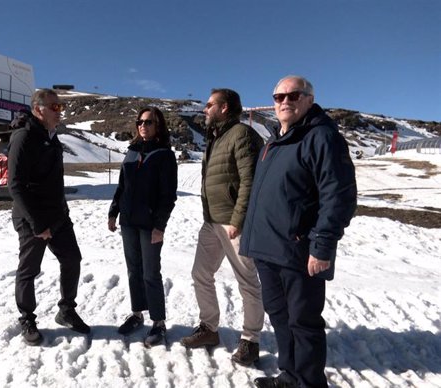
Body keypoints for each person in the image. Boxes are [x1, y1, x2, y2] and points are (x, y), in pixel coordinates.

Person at [239, 76, 357, 388]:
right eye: (279, 96)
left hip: (299, 251)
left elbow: (339, 196)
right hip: (267, 248)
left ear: (309, 99)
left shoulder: (321, 137)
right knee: (279, 317)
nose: (285, 102)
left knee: (304, 323)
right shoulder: (275, 141)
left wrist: (322, 246)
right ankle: (290, 376)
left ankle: (309, 382)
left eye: (293, 95)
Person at [180, 88, 265, 367]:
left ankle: (251, 340)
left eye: (209, 105)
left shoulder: (241, 134)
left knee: (247, 281)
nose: (205, 109)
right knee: (201, 273)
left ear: (224, 107)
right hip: (211, 221)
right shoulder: (215, 137)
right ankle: (209, 329)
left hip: (232, 223)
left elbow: (249, 180)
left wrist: (239, 220)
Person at [7, 88, 90, 346]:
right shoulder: (24, 137)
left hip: (58, 216)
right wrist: (38, 223)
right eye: (54, 107)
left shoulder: (50, 137)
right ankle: (27, 318)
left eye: (60, 107)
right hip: (33, 218)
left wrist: (61, 212)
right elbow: (16, 185)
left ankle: (66, 310)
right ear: (37, 109)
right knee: (29, 270)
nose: (59, 111)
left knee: (72, 259)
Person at [107, 106, 177, 347]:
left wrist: (160, 226)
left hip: (149, 225)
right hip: (128, 222)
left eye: (149, 122)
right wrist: (113, 212)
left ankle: (158, 322)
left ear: (158, 126)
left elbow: (168, 196)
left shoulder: (164, 155)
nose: (143, 126)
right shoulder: (131, 152)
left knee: (150, 273)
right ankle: (137, 314)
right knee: (133, 270)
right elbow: (121, 186)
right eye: (140, 121)